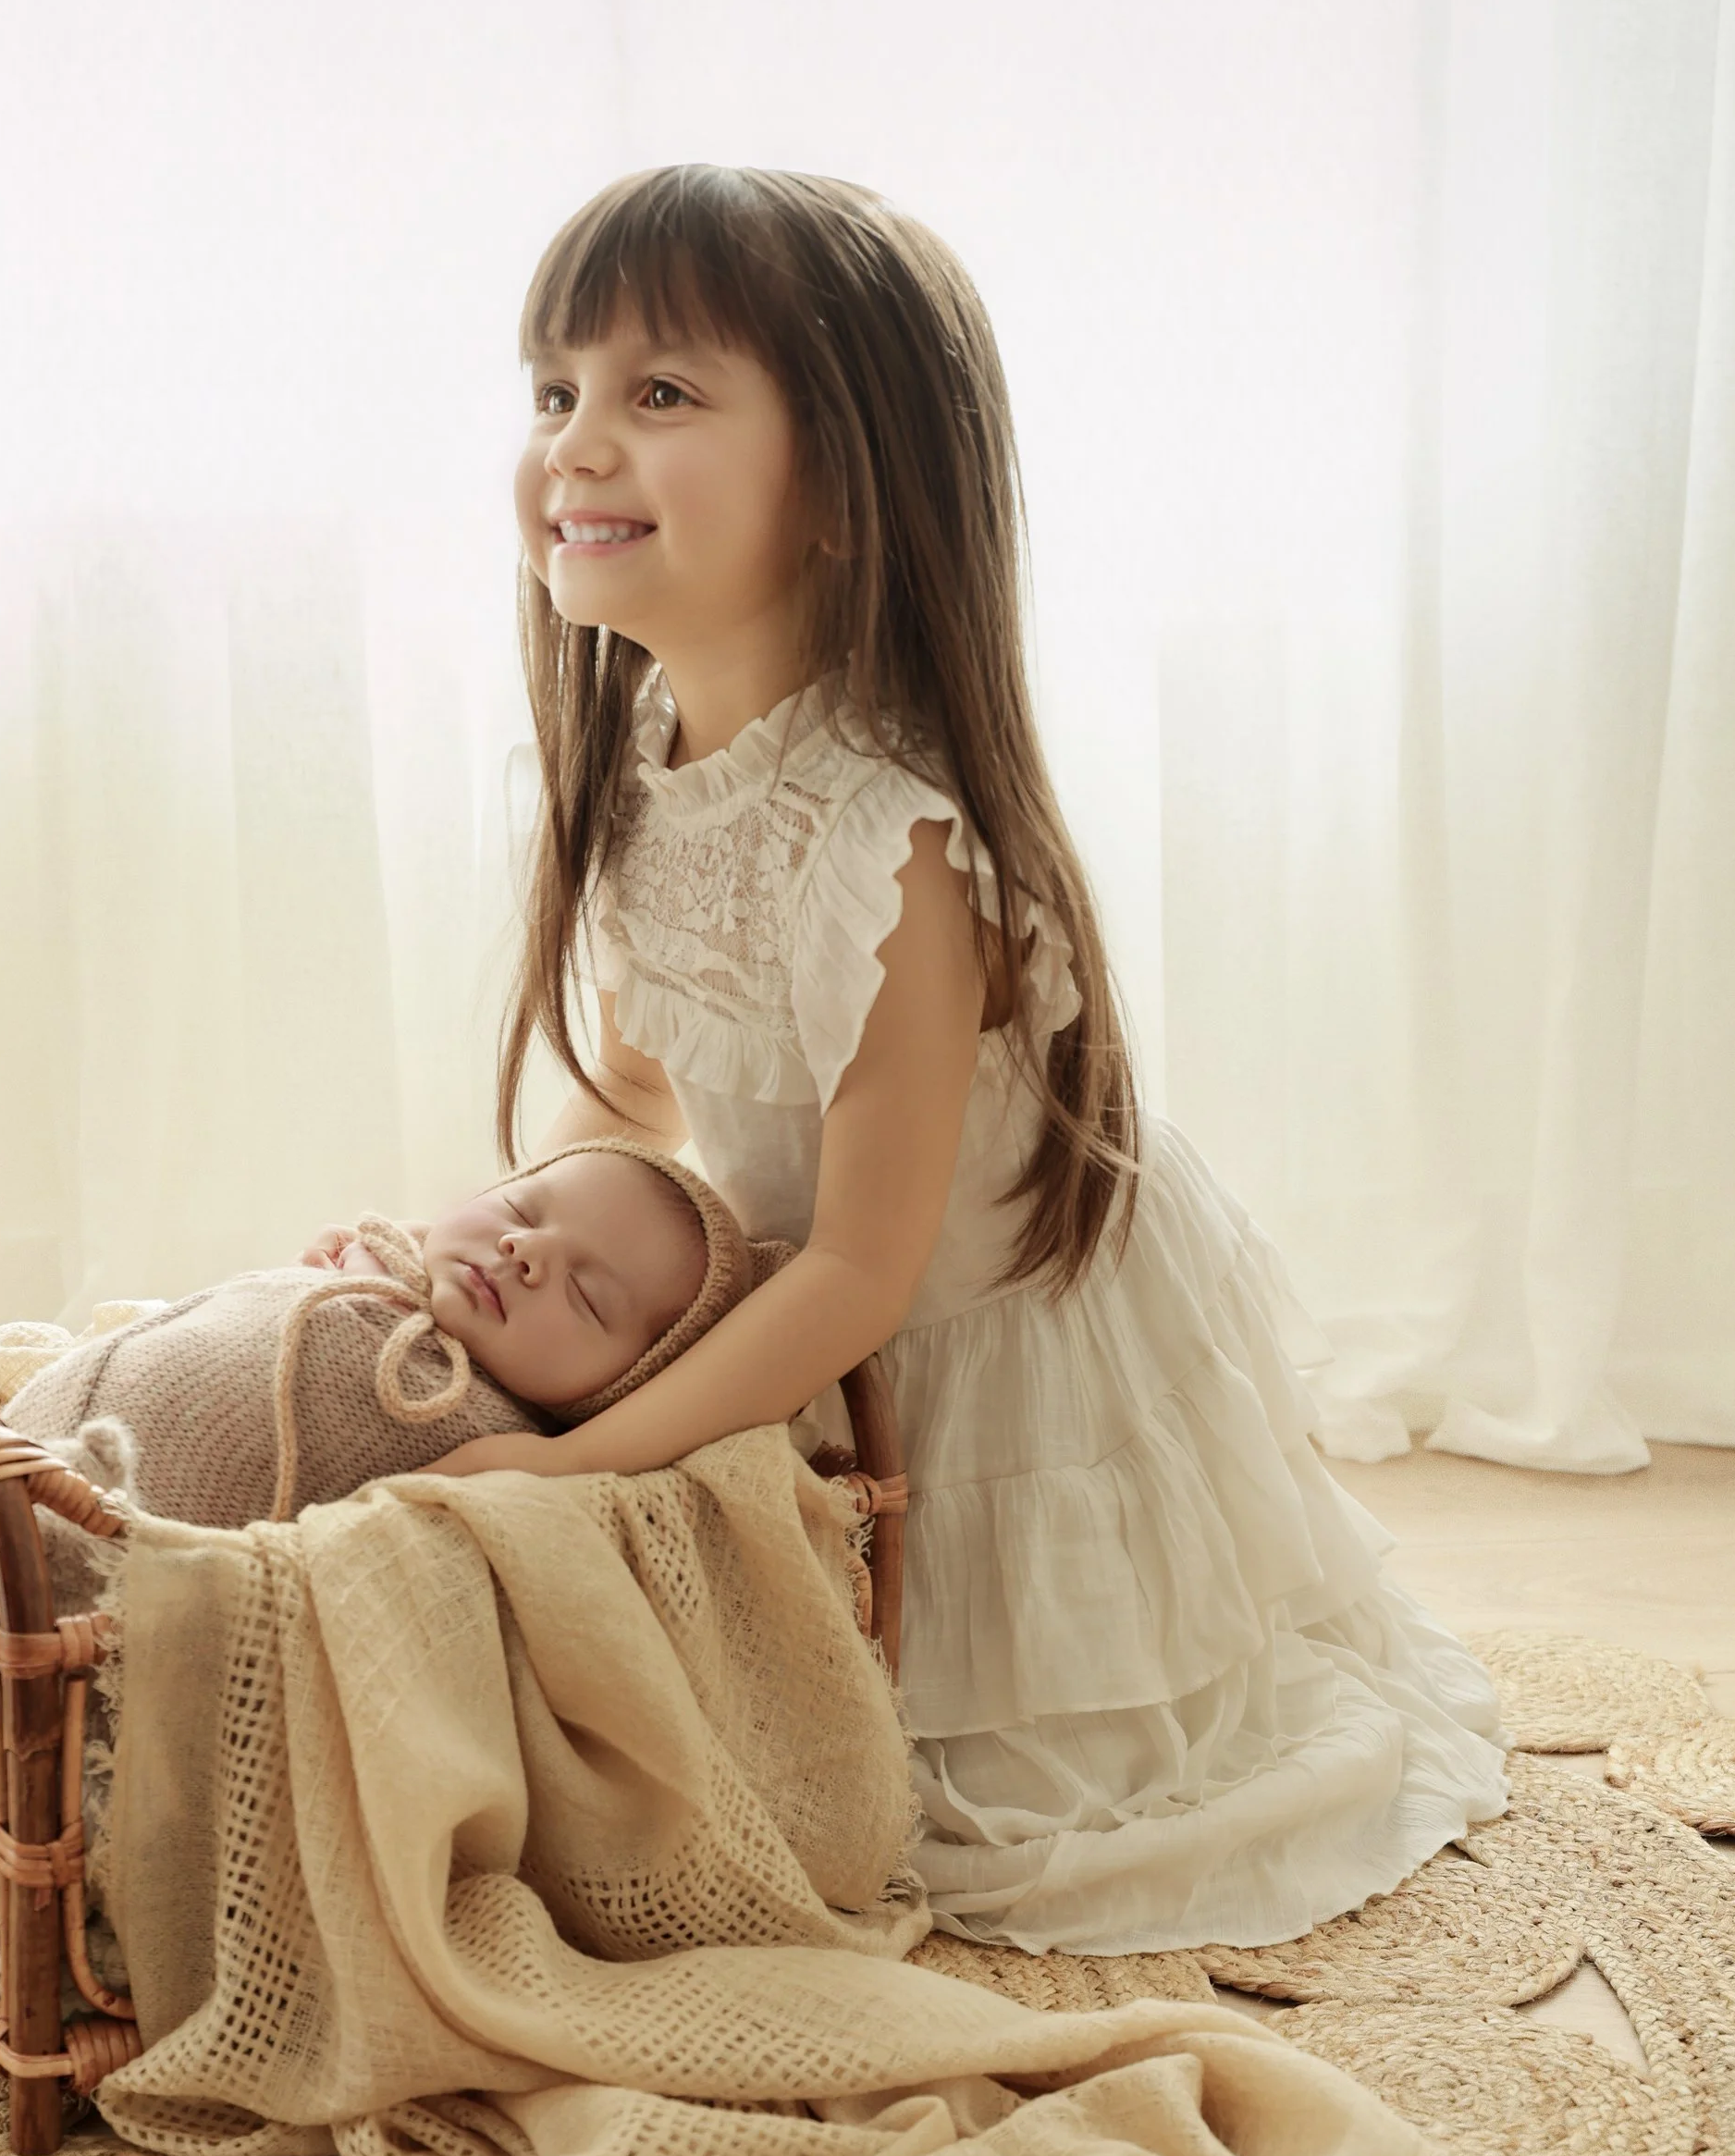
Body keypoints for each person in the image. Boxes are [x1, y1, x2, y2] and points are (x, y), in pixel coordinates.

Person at [430, 162, 1505, 1955]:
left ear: (844, 491)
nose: (576, 445)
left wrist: (580, 1462)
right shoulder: (641, 769)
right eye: (553, 391)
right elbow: (626, 1100)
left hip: (952, 1348)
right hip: (795, 1313)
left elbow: (862, 1270)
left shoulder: (889, 844)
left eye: (659, 394)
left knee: (912, 1807)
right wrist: (482, 1259)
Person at [0, 1136, 785, 1534]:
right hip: (36, 1444)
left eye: (585, 1292)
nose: (525, 1252)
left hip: (135, 1544)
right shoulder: (383, 1262)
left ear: (615, 1392)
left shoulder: (492, 1449)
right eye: (521, 1211)